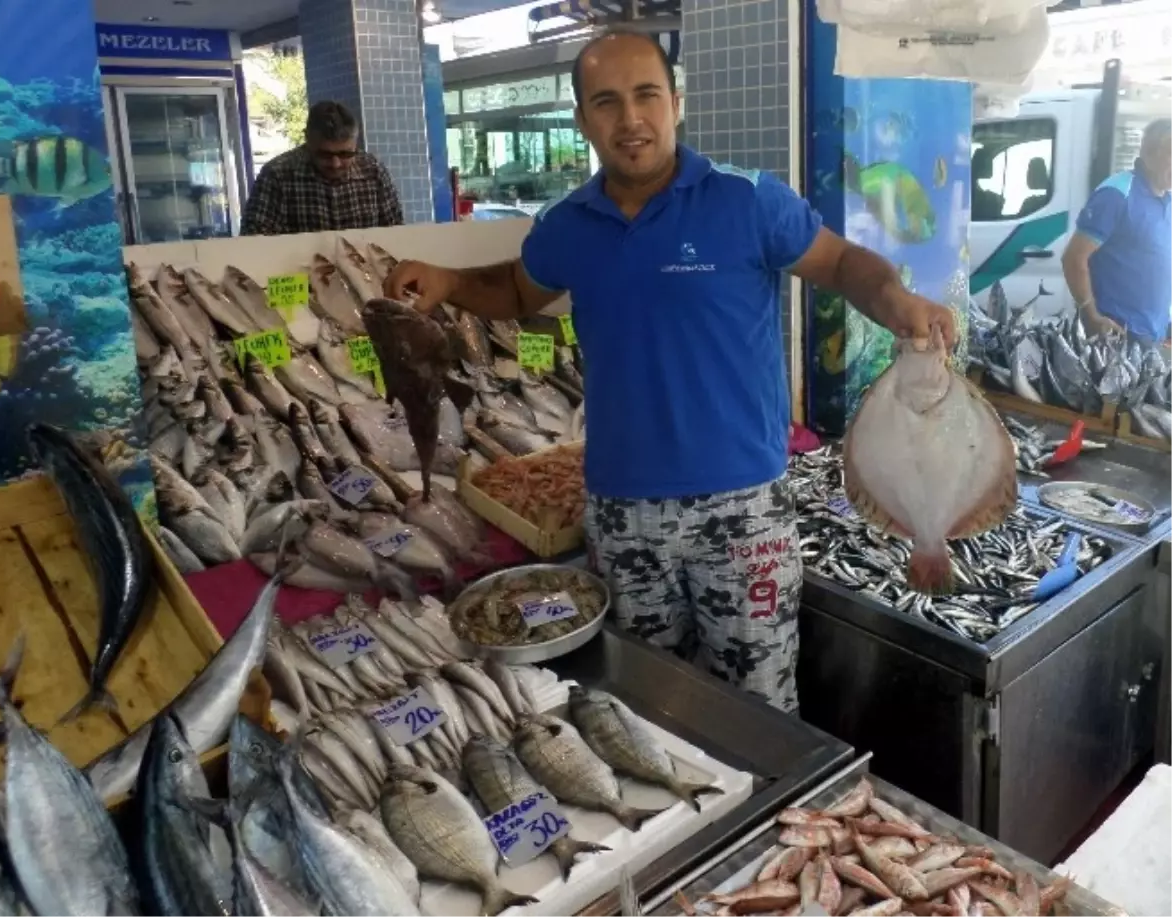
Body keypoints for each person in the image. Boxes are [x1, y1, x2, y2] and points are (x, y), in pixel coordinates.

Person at [384, 30, 955, 713]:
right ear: (581, 121)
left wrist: (893, 298)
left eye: (646, 95)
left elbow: (839, 263)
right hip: (624, 515)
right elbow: (515, 291)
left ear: (676, 103)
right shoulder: (568, 225)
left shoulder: (747, 200)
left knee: (759, 709)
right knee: (649, 703)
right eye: (606, 102)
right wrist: (447, 279)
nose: (630, 119)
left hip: (742, 509)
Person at [1061, 118, 1172, 342]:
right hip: (1116, 336)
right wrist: (1091, 315)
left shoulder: (1167, 197)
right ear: (1151, 154)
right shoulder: (1117, 193)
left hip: (1153, 334)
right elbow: (1073, 258)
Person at [241, 100, 403, 236]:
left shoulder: (373, 170)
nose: (335, 164)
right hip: (297, 272)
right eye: (324, 155)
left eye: (345, 154)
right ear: (307, 140)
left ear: (356, 142)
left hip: (365, 271)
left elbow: (395, 233)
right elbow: (255, 242)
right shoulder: (277, 175)